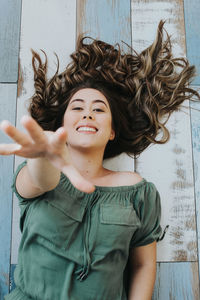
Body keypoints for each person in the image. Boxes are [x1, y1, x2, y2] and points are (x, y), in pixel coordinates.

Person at [0, 20, 198, 300]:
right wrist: (43, 157)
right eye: (77, 107)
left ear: (113, 131)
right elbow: (38, 179)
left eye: (99, 110)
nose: (87, 114)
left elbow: (142, 264)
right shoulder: (36, 173)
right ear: (62, 126)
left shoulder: (138, 192)